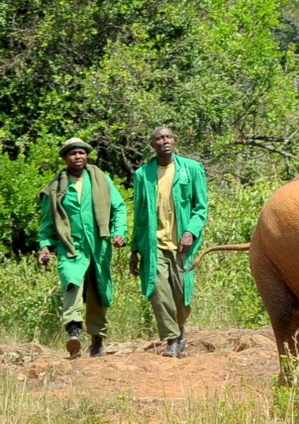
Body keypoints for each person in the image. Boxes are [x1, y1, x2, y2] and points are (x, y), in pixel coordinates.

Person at [36, 138, 128, 358]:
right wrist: (45, 247)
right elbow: (47, 222)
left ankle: (97, 341)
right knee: (72, 283)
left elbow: (119, 207)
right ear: (65, 158)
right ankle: (73, 331)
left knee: (99, 291)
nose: (78, 157)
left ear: (87, 156)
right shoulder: (56, 187)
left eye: (81, 153)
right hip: (70, 246)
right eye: (72, 153)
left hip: (99, 245)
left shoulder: (101, 180)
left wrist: (119, 232)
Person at [130, 126, 208, 358]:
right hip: (154, 246)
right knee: (158, 291)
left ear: (175, 140)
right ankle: (172, 340)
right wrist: (135, 249)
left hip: (183, 246)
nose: (164, 141)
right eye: (158, 138)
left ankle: (180, 329)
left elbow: (201, 207)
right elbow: (140, 214)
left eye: (168, 137)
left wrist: (190, 232)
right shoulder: (143, 174)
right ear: (152, 144)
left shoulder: (191, 169)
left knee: (182, 296)